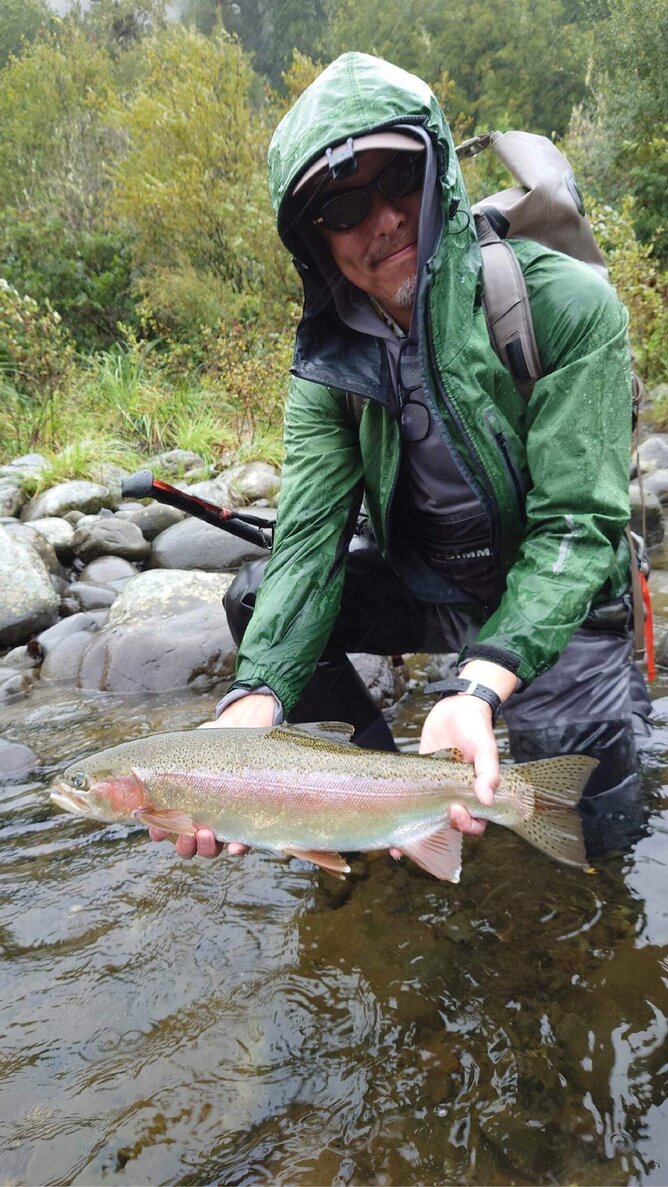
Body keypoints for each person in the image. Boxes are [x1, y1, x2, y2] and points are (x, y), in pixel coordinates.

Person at [151, 51, 651, 864]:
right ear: (314, 238)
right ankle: (371, 794)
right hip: (439, 585)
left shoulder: (562, 305)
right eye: (345, 205)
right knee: (256, 604)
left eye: (400, 184)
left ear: (441, 179)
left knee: (597, 841)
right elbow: (307, 541)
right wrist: (254, 697)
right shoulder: (327, 367)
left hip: (563, 593)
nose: (380, 219)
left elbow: (576, 526)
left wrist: (483, 680)